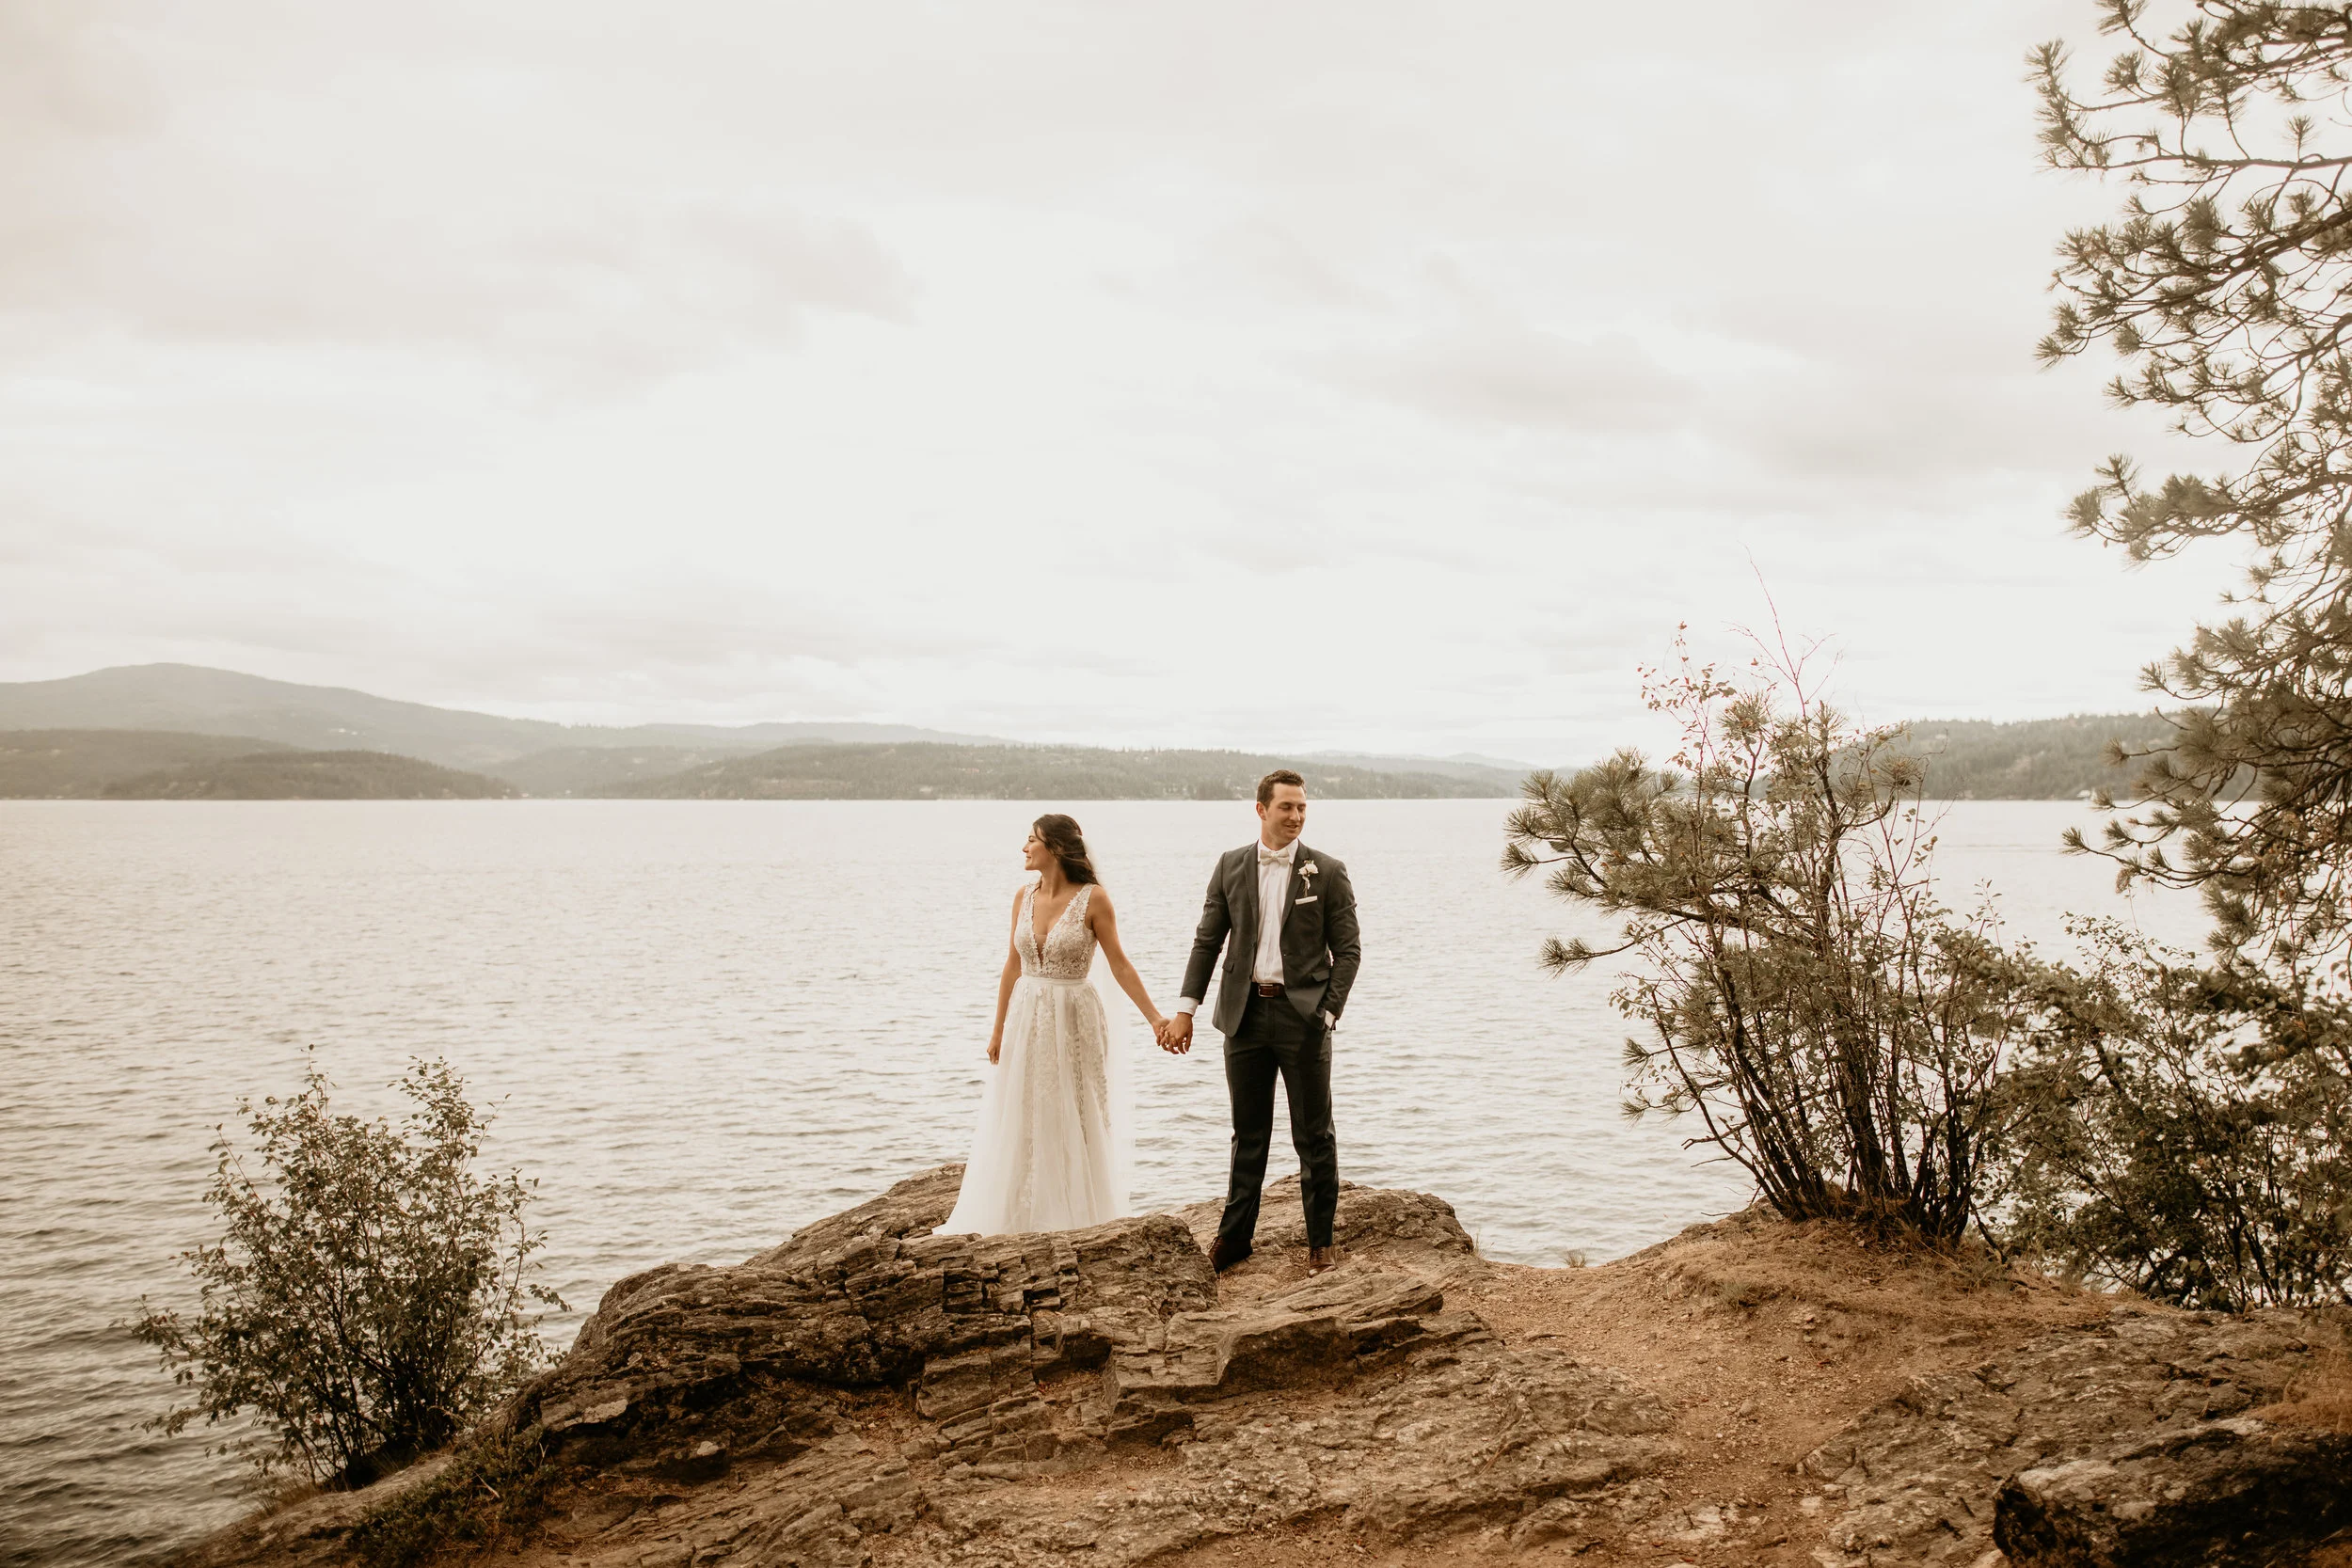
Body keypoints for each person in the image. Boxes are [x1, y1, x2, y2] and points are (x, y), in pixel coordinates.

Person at [1160, 769, 1360, 1275]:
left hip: (1304, 1019)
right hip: (1244, 1016)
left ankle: (1321, 1243)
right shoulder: (1230, 866)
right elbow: (1207, 942)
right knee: (1247, 1134)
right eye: (1285, 807)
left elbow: (1350, 951)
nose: (1295, 817)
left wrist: (1328, 1011)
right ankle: (1234, 1240)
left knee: (1314, 1135)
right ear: (1261, 809)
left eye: (1301, 808)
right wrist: (1185, 1010)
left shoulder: (1328, 871)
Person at [937, 814, 1166, 1235]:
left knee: (1073, 1109)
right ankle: (1019, 1211)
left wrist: (1156, 1019)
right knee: (1023, 1108)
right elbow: (1012, 965)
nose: (1024, 848)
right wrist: (998, 1029)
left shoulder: (1094, 899)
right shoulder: (1023, 896)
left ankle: (1078, 1213)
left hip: (1075, 1017)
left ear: (1056, 848)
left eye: (1031, 840)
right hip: (1027, 1014)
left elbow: (1119, 965)